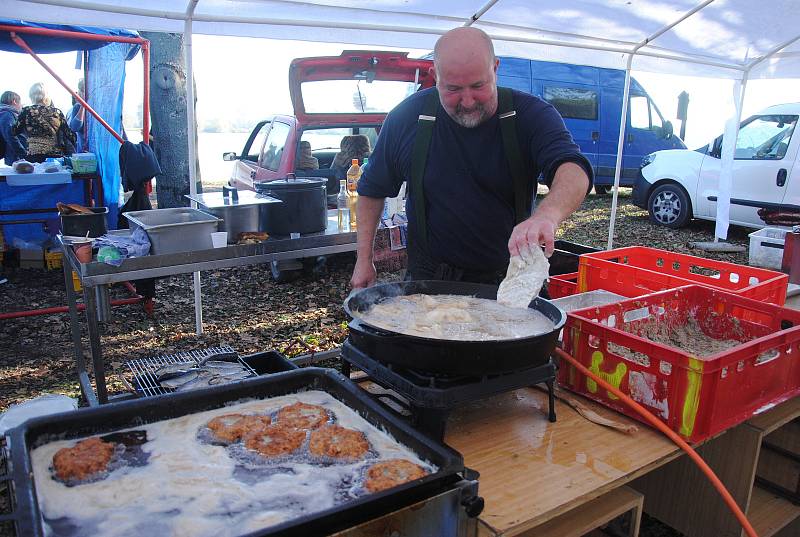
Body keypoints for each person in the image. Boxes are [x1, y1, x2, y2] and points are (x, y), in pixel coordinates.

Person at [350, 27, 592, 289]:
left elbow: (573, 168)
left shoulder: (530, 115)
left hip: (511, 279)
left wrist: (547, 215)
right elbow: (372, 189)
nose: (467, 101)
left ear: (495, 68)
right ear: (435, 76)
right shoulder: (408, 118)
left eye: (478, 86)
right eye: (453, 89)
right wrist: (364, 260)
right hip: (429, 283)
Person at [12, 82, 76, 163]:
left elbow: (14, 131)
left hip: (34, 155)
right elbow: (70, 135)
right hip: (55, 156)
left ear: (31, 96)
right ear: (46, 96)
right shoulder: (57, 112)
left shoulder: (26, 111)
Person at [0, 91, 27, 165]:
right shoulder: (7, 114)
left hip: (13, 155)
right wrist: (23, 154)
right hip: (15, 157)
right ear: (14, 101)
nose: (21, 106)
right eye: (20, 103)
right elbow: (11, 136)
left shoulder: (4, 113)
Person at [66, 78, 86, 153]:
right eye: (82, 90)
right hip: (84, 151)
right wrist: (83, 106)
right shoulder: (77, 107)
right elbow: (75, 127)